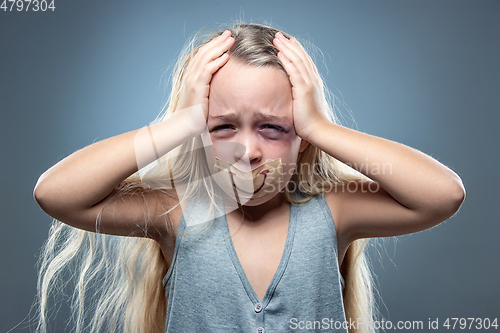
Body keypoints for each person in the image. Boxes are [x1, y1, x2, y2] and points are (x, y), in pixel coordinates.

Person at [33, 21, 465, 333]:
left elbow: (442, 195)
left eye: (273, 127)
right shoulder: (177, 211)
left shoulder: (334, 211)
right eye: (222, 127)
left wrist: (320, 128)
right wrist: (177, 124)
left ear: (301, 140)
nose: (248, 150)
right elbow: (57, 194)